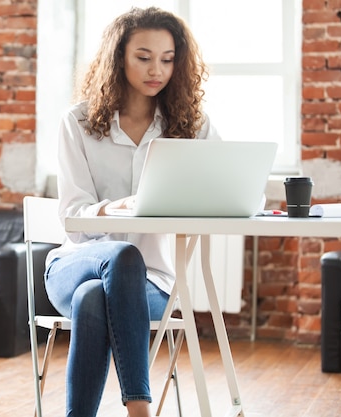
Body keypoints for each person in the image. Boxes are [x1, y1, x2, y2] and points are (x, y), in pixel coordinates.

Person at [44, 7, 220, 417]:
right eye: (143, 57)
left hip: (152, 285)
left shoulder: (192, 127)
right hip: (74, 265)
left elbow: (229, 188)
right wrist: (116, 208)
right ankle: (140, 410)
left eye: (168, 58)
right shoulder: (79, 122)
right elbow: (72, 218)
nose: (156, 69)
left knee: (94, 299)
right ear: (118, 57)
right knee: (121, 257)